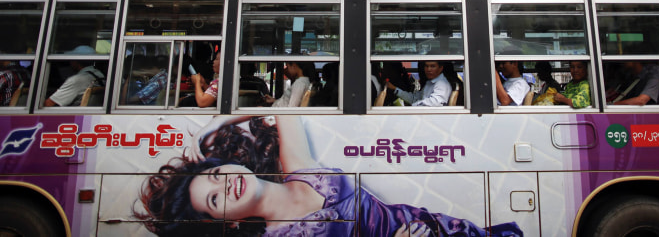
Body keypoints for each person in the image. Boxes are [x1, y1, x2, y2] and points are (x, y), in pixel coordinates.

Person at [136, 115, 523, 237]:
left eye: (218, 173)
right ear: (226, 223)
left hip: (433, 226)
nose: (226, 183)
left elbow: (284, 111)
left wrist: (208, 132)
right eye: (216, 199)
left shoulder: (300, 170)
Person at [386, 60, 452, 107]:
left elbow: (434, 104)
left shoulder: (442, 84)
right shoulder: (430, 82)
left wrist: (412, 106)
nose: (428, 69)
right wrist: (395, 89)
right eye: (426, 66)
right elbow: (414, 98)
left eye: (432, 66)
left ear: (440, 68)